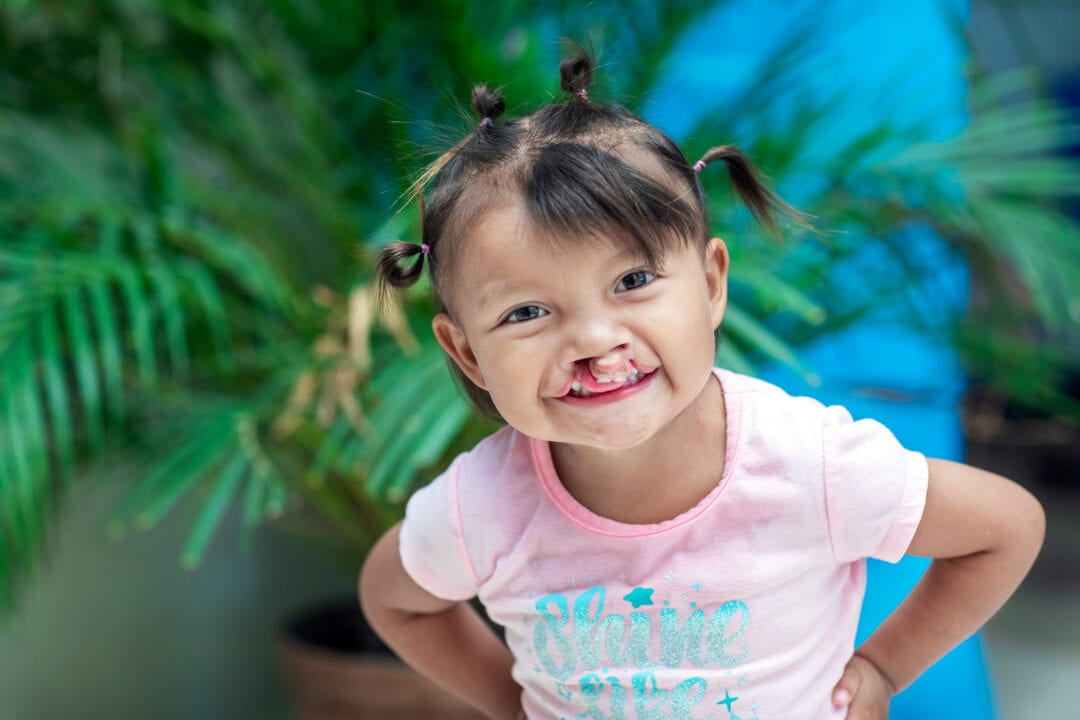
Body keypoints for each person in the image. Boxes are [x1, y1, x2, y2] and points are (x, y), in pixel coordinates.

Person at [359, 48, 1044, 720]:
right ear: (469, 354)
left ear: (711, 284)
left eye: (632, 281)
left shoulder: (809, 465)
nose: (596, 342)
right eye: (527, 313)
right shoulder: (480, 509)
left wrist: (884, 667)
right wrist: (511, 705)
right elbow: (394, 598)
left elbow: (1005, 528)